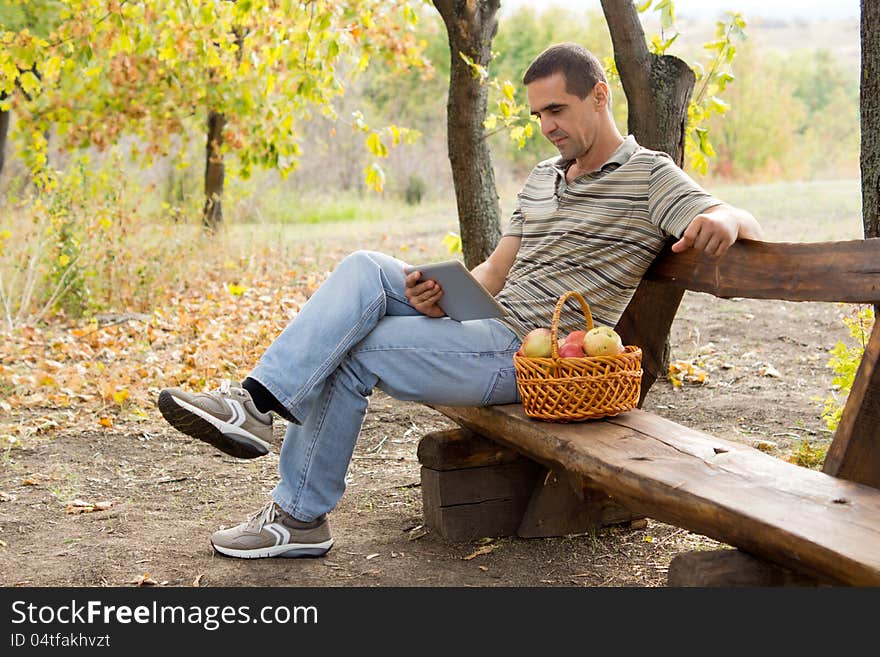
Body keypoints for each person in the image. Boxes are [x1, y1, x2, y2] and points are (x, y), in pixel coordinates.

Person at [158, 42, 763, 559]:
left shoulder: (649, 175)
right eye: (538, 114)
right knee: (366, 267)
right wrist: (439, 296)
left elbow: (734, 216)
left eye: (558, 109)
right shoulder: (543, 178)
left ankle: (294, 511)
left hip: (533, 357)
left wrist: (727, 219)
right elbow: (495, 272)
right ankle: (254, 406)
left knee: (350, 352)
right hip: (485, 323)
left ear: (600, 97)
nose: (547, 125)